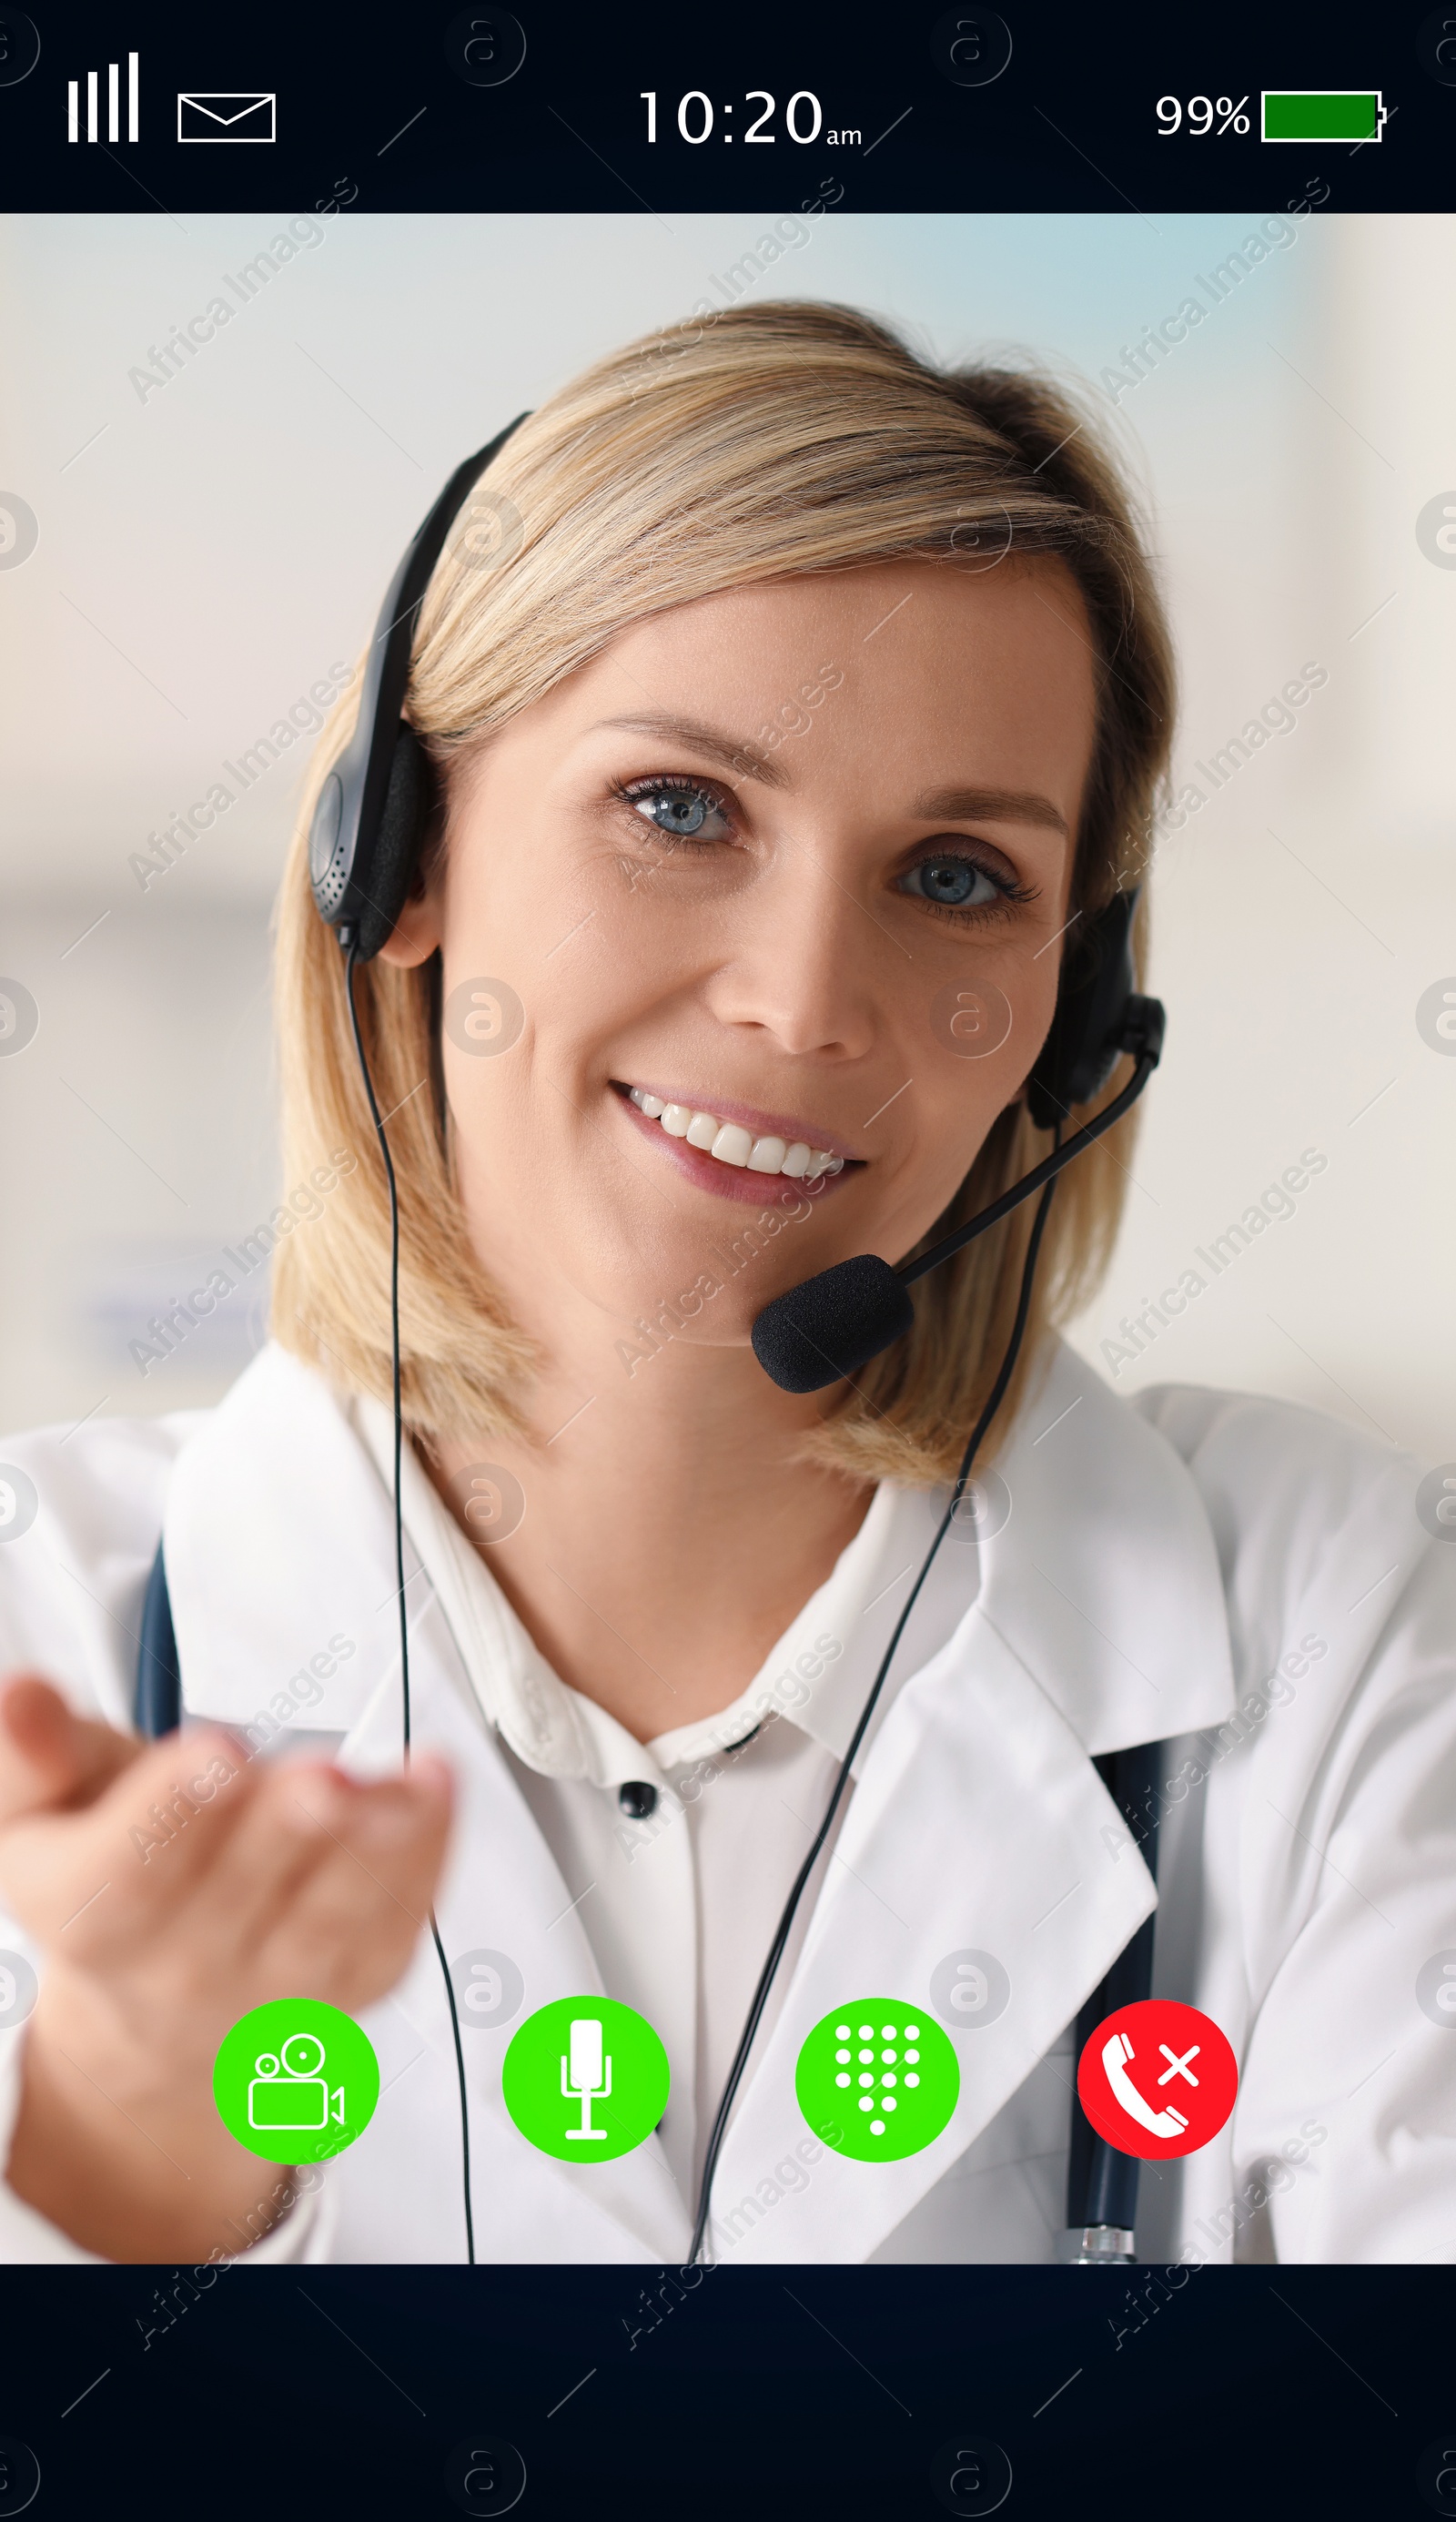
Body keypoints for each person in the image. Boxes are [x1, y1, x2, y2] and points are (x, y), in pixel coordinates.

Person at [0, 302, 1448, 2268]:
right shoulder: (49, 1630)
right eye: (678, 809)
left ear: (1073, 1011)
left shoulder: (1334, 1617)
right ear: (397, 856)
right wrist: (118, 2149)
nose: (797, 1002)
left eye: (953, 876)